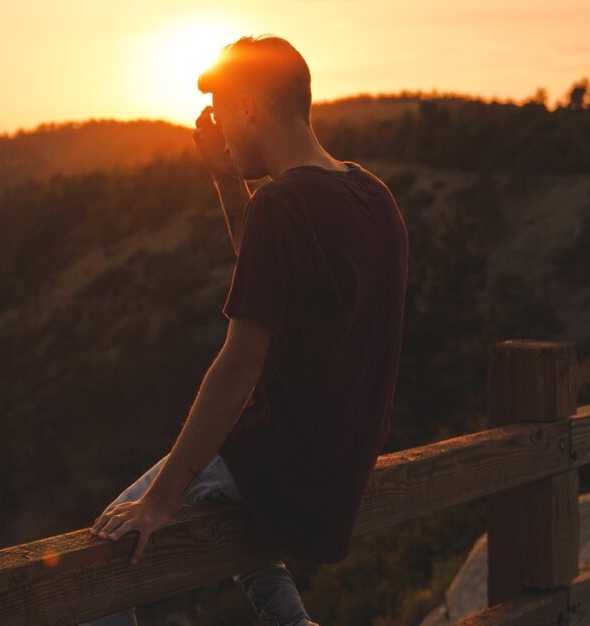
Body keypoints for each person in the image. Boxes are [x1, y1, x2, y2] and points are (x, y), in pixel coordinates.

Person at [85, 34, 408, 626]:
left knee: (105, 557)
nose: (224, 131)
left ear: (252, 106)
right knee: (233, 521)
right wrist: (227, 182)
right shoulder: (371, 194)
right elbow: (272, 283)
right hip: (341, 464)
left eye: (226, 111)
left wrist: (159, 502)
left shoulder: (285, 204)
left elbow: (239, 363)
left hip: (283, 465)